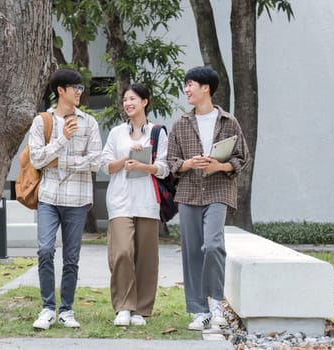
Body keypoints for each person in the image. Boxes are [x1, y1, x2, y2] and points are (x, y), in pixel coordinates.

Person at [167, 66, 250, 331]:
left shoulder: (229, 121)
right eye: (186, 84)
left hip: (218, 191)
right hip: (189, 192)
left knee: (213, 245)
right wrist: (188, 163)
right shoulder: (181, 123)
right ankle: (199, 310)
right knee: (192, 252)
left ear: (206, 88)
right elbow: (171, 162)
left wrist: (220, 167)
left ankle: (216, 305)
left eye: (190, 84)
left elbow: (241, 158)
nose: (186, 89)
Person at [29, 68, 102, 330]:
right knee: (45, 250)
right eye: (76, 88)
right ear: (61, 90)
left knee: (71, 258)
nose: (79, 92)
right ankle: (48, 308)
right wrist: (63, 139)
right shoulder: (42, 121)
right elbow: (37, 159)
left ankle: (66, 310)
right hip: (48, 196)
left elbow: (96, 162)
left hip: (78, 199)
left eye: (81, 88)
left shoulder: (89, 122)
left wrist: (61, 161)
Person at [100, 83, 170, 327]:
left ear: (145, 101)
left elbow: (164, 168)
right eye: (125, 100)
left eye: (133, 99)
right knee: (122, 252)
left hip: (148, 201)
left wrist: (143, 165)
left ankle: (141, 309)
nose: (128, 104)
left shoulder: (158, 132)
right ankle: (123, 306)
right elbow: (105, 165)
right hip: (119, 200)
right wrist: (127, 157)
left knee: (146, 258)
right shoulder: (116, 132)